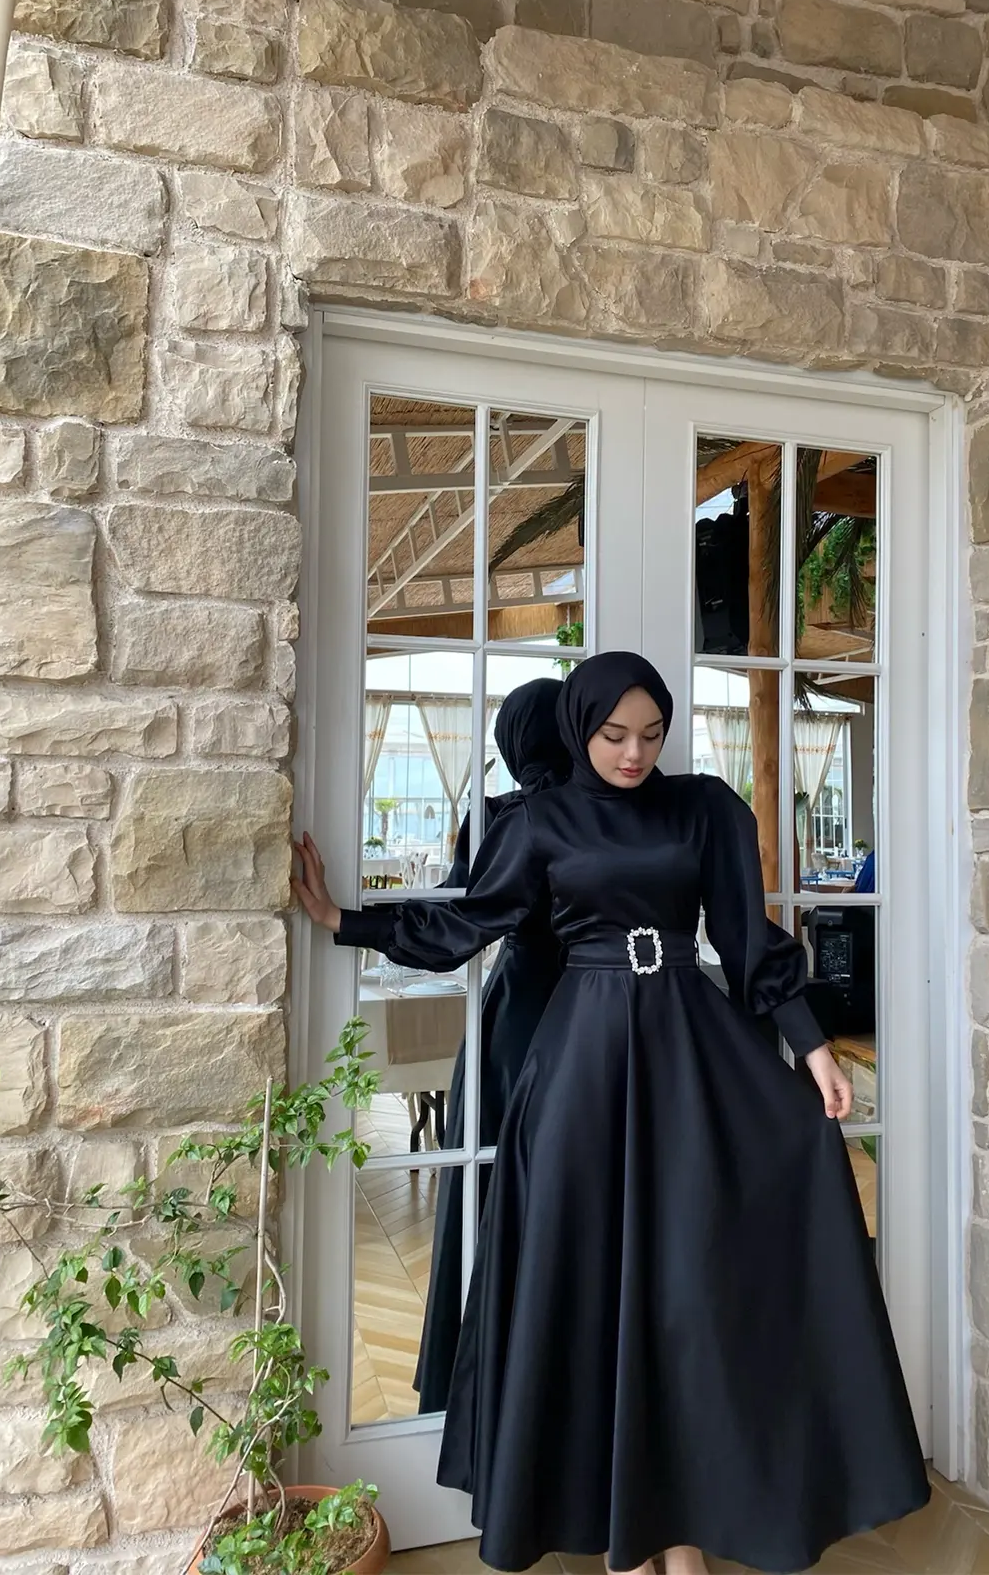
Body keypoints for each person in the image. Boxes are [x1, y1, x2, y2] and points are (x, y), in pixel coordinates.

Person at [293, 652, 929, 1575]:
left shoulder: (705, 808)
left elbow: (747, 941)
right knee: (590, 1286)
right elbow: (466, 923)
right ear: (580, 729)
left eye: (652, 735)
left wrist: (816, 1048)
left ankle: (680, 1530)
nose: (635, 753)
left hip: (688, 1052)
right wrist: (344, 921)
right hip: (581, 1065)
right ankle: (624, 1538)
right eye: (614, 735)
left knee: (685, 1292)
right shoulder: (538, 821)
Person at [415, 679, 571, 1412]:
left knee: (488, 1193)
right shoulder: (599, 813)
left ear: (511, 743)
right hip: (594, 1016)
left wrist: (349, 918)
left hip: (515, 1019)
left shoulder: (496, 816)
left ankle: (482, 1380)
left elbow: (450, 925)